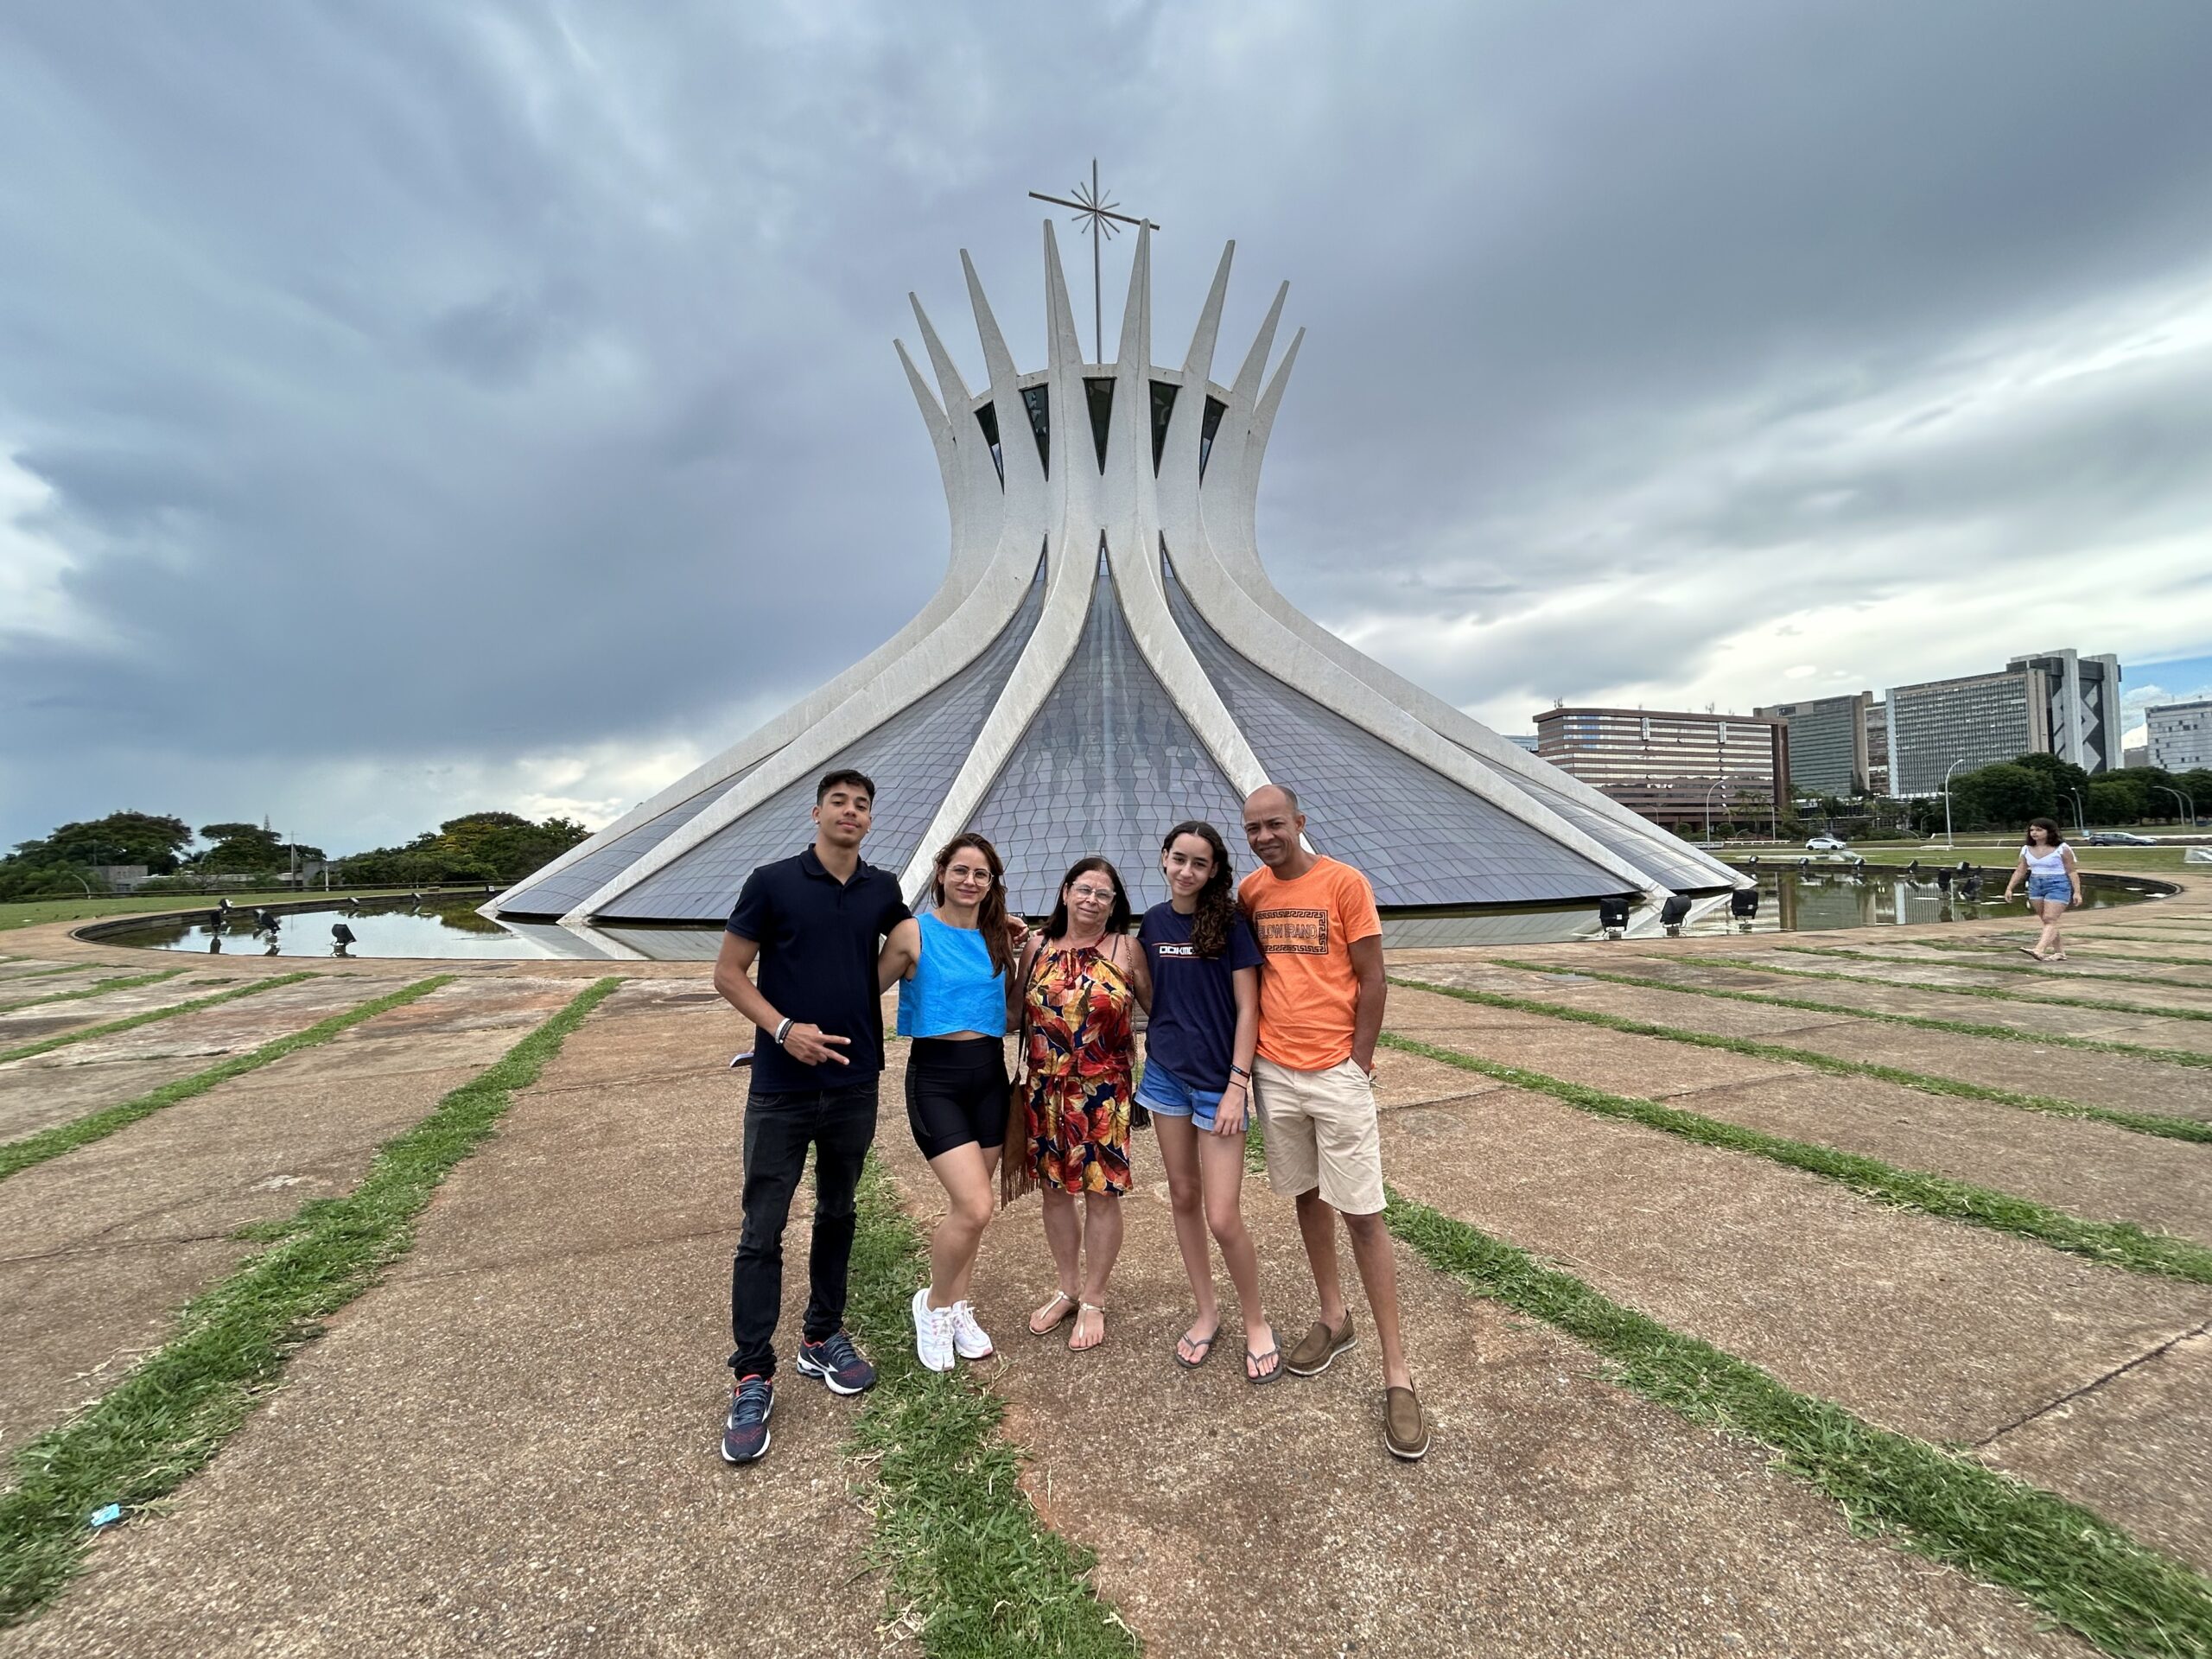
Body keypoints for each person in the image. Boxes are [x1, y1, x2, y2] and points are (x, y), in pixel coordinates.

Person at [711, 768, 911, 1466]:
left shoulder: (883, 888)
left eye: (862, 805)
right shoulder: (772, 881)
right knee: (762, 1226)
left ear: (870, 819)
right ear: (817, 812)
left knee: (838, 1210)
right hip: (782, 1087)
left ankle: (821, 1335)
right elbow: (729, 972)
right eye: (840, 803)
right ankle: (752, 1371)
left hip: (854, 1080)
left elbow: (912, 942)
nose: (851, 812)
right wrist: (785, 1027)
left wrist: (871, 984)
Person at [1239, 784, 1427, 1460]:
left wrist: (1359, 1062)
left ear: (1300, 823)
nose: (1265, 836)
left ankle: (1397, 1373)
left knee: (1364, 1212)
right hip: (1275, 1071)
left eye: (1275, 824)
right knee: (1307, 1196)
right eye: (1254, 827)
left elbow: (1373, 977)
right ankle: (1333, 1316)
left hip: (1335, 1072)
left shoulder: (1344, 882)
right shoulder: (1252, 892)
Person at [1136, 821, 1278, 1383]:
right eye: (1179, 859)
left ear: (1214, 870)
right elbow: (1153, 996)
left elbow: (1249, 1008)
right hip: (1166, 1077)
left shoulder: (1232, 924)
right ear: (1164, 860)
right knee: (1182, 1197)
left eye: (1199, 862)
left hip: (1220, 1084)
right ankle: (1206, 1311)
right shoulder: (1151, 923)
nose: (1187, 871)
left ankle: (1256, 1320)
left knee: (1222, 1214)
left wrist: (1237, 1085)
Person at [878, 832, 1023, 1372]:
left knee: (972, 1211)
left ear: (992, 883)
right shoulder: (913, 933)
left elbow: (1010, 1015)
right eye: (960, 870)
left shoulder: (997, 940)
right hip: (935, 1082)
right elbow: (860, 991)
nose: (970, 881)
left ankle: (957, 1305)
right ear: (940, 872)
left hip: (988, 1077)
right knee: (976, 1205)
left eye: (981, 874)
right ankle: (934, 1306)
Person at [1010, 856, 1149, 1353]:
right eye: (1084, 889)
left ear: (1114, 905)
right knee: (1054, 1191)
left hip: (1105, 1092)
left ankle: (1094, 1297)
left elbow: (1158, 1010)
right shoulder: (1036, 947)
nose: (1092, 900)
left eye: (1103, 894)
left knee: (1101, 1192)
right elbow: (1011, 1012)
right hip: (1046, 1090)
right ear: (1066, 891)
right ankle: (1067, 1286)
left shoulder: (1127, 949)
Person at [2004, 817, 2082, 962]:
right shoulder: (2026, 849)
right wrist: (2010, 888)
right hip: (2036, 884)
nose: (2034, 833)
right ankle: (2060, 953)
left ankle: (2039, 950)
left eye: (2039, 830)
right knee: (2047, 921)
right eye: (2032, 830)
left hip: (2058, 884)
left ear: (2049, 831)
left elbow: (2071, 871)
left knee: (2050, 919)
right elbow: (2020, 870)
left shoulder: (2062, 848)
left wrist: (2077, 892)